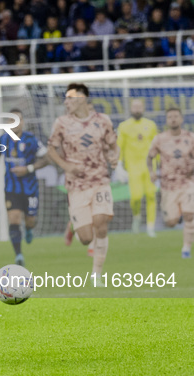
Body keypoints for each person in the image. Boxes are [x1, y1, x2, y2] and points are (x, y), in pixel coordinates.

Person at [47, 83, 119, 287]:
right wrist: (66, 166)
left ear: (82, 98)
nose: (66, 102)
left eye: (70, 98)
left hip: (100, 180)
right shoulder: (61, 123)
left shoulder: (102, 120)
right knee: (86, 238)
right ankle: (73, 226)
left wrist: (115, 158)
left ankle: (96, 274)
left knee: (101, 222)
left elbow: (114, 145)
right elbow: (51, 149)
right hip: (76, 185)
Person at [0, 109, 49, 266]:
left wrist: (28, 169)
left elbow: (46, 159)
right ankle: (18, 254)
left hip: (30, 187)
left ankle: (28, 229)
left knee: (30, 221)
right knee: (14, 218)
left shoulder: (31, 139)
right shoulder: (3, 139)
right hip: (11, 187)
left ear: (22, 122)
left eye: (18, 120)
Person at [147, 108, 194, 258]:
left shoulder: (190, 138)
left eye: (176, 116)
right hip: (168, 186)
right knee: (171, 222)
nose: (173, 119)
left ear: (181, 119)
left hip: (187, 182)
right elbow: (150, 157)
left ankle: (186, 248)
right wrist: (152, 172)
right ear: (166, 120)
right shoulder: (160, 139)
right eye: (170, 117)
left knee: (190, 215)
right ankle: (177, 215)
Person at [116, 99, 158, 237]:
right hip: (133, 166)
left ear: (144, 108)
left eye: (139, 106)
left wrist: (159, 164)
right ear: (130, 108)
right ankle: (137, 216)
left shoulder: (151, 125)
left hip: (149, 166)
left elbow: (156, 145)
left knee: (151, 195)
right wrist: (119, 164)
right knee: (136, 197)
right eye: (135, 106)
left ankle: (151, 227)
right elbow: (119, 146)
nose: (137, 109)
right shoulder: (123, 126)